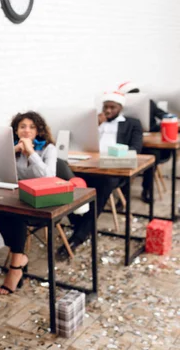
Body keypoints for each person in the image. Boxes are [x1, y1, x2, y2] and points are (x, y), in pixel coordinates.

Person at [60, 91, 143, 259]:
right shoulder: (94, 123)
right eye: (106, 107)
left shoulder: (132, 124)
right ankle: (81, 224)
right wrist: (95, 124)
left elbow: (136, 149)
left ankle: (78, 236)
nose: (108, 110)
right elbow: (78, 143)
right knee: (66, 182)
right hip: (89, 167)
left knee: (102, 188)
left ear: (120, 108)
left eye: (112, 107)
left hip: (112, 171)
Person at [0, 111, 57, 294]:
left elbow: (49, 177)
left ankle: (15, 267)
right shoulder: (12, 148)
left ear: (39, 130)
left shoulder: (48, 149)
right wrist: (11, 152)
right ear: (16, 130)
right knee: (0, 211)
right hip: (19, 199)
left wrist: (30, 153)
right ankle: (19, 258)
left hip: (42, 203)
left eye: (31, 127)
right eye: (22, 126)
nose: (27, 130)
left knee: (17, 216)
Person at [118, 82, 173, 203]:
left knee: (153, 156)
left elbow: (162, 114)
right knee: (124, 156)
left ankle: (147, 189)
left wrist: (171, 117)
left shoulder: (149, 103)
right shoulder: (119, 108)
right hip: (131, 142)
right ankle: (123, 196)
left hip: (149, 141)